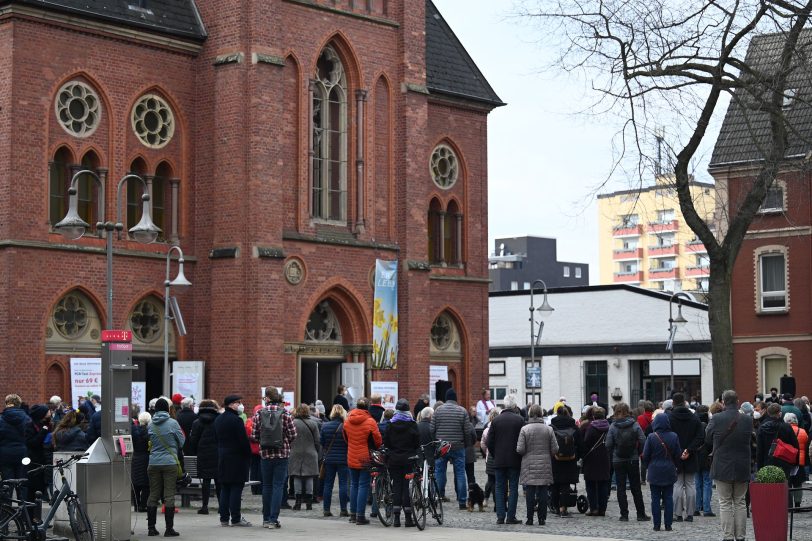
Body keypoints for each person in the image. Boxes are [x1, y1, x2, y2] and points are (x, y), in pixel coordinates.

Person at [705, 390, 753, 541]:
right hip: (742, 464)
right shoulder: (747, 419)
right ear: (737, 401)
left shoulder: (716, 418)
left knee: (725, 502)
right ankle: (740, 537)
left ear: (723, 402)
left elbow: (707, 437)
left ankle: (728, 536)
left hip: (722, 464)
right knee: (740, 502)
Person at [252, 387, 297, 529]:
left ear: (267, 398)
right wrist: (285, 442)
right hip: (282, 454)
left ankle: (265, 519)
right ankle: (273, 519)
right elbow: (293, 434)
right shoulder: (285, 413)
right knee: (278, 486)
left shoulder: (258, 414)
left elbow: (254, 436)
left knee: (267, 486)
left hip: (265, 454)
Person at [146, 397, 185, 537]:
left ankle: (151, 528)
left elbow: (149, 442)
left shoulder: (150, 424)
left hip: (153, 463)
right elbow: (182, 442)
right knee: (169, 495)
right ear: (168, 409)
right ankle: (169, 529)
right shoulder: (173, 423)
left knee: (153, 494)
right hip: (169, 463)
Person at [214, 395, 252, 528]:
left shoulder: (218, 419)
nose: (240, 405)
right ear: (230, 404)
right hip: (237, 458)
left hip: (223, 457)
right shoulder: (236, 420)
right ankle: (236, 518)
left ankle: (224, 518)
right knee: (236, 488)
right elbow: (243, 441)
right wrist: (248, 455)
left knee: (225, 488)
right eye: (238, 403)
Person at [606, 402, 648, 522]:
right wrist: (637, 450)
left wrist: (613, 452)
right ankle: (640, 514)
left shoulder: (613, 426)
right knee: (636, 487)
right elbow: (643, 440)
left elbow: (608, 444)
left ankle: (624, 515)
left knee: (621, 488)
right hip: (632, 459)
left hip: (618, 460)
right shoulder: (634, 424)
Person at [343, 397, 382, 525]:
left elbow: (345, 438)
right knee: (363, 485)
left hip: (351, 455)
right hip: (365, 456)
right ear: (368, 407)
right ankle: (360, 516)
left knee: (354, 485)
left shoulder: (347, 420)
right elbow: (377, 440)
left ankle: (353, 515)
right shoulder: (370, 421)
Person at [431, 388, 471, 509]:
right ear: (456, 399)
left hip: (442, 446)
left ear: (446, 398)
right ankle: (462, 501)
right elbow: (467, 431)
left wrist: (436, 443)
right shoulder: (462, 411)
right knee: (460, 472)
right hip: (458, 446)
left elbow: (432, 429)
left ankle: (438, 497)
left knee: (439, 471)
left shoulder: (438, 410)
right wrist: (466, 444)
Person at [516, 404, 556, 526]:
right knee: (543, 491)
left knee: (530, 492)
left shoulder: (524, 429)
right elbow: (555, 449)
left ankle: (529, 518)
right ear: (541, 414)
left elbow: (520, 449)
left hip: (529, 465)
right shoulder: (548, 429)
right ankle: (542, 518)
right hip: (544, 464)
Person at [487, 394, 524, 524]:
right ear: (514, 405)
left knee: (499, 487)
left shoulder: (496, 420)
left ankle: (500, 516)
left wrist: (495, 454)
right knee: (513, 488)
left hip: (499, 460)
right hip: (514, 460)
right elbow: (522, 441)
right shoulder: (519, 420)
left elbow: (489, 441)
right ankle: (511, 517)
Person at [667, 392, 704, 523]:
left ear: (673, 403)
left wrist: (679, 450)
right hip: (691, 454)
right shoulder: (694, 418)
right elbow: (700, 436)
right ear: (685, 402)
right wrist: (689, 449)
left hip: (675, 455)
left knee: (677, 484)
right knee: (690, 484)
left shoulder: (670, 418)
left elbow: (667, 436)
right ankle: (690, 514)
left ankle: (677, 514)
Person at [383, 399, 420, 527]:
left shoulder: (390, 424)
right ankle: (408, 519)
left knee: (396, 487)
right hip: (408, 460)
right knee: (407, 488)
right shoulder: (412, 424)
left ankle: (397, 518)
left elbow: (386, 442)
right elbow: (417, 443)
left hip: (394, 460)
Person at [642, 412, 681, 532]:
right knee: (668, 498)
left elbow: (645, 455)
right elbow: (677, 454)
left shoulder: (651, 437)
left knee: (655, 499)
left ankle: (656, 525)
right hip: (669, 469)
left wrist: (648, 466)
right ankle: (668, 525)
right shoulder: (674, 436)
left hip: (654, 470)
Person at [189, 400, 220, 515]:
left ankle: (205, 506)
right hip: (217, 454)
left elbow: (193, 440)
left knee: (206, 481)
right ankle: (221, 506)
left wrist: (195, 451)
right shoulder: (218, 420)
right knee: (219, 481)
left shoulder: (197, 422)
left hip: (203, 454)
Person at [550, 404, 581, 516]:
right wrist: (578, 456)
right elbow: (579, 443)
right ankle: (564, 508)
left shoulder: (552, 426)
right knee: (566, 485)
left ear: (557, 414)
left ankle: (555, 507)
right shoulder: (574, 427)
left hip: (555, 458)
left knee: (555, 484)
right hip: (570, 459)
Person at [289, 403, 321, 511]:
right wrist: (316, 451)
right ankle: (309, 503)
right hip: (310, 452)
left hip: (295, 452)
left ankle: (297, 502)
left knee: (297, 476)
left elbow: (289, 438)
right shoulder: (313, 423)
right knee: (309, 476)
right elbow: (317, 440)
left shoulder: (293, 423)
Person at [0, 394, 32, 499]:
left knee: (6, 486)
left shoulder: (1, 418)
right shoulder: (27, 418)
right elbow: (29, 436)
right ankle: (23, 514)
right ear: (19, 405)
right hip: (22, 454)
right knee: (22, 485)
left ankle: (6, 514)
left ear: (6, 404)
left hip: (4, 455)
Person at [756, 402, 799, 479]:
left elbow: (759, 449)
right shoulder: (786, 427)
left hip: (767, 463)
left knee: (769, 488)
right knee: (783, 487)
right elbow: (795, 445)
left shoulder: (762, 428)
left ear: (768, 413)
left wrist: (759, 467)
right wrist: (796, 463)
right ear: (780, 413)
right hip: (784, 462)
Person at [320, 404, 349, 517]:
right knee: (343, 485)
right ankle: (343, 510)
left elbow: (322, 442)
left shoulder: (325, 426)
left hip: (329, 459)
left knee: (328, 484)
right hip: (343, 459)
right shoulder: (346, 426)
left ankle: (326, 509)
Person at [581, 406, 611, 516]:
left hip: (591, 459)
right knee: (603, 484)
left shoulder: (591, 428)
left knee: (591, 484)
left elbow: (586, 442)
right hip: (604, 458)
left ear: (593, 417)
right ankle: (602, 509)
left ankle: (593, 508)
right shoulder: (609, 427)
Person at [25, 405, 53, 498]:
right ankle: (30, 511)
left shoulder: (49, 424)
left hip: (45, 460)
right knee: (33, 489)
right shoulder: (31, 426)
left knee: (41, 488)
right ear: (42, 414)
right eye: (48, 411)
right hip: (34, 461)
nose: (50, 413)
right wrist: (43, 431)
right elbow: (32, 443)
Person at [693, 404, 714, 517]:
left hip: (696, 457)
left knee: (697, 483)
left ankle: (696, 507)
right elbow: (711, 443)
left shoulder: (693, 425)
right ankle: (706, 508)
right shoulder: (709, 426)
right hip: (706, 457)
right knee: (707, 482)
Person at [785, 412, 808, 508]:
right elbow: (806, 443)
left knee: (788, 483)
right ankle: (798, 504)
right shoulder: (802, 431)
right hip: (800, 461)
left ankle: (789, 503)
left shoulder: (785, 430)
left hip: (787, 460)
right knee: (798, 484)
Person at [131, 411, 151, 513]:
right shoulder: (149, 431)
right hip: (147, 458)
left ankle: (136, 505)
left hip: (135, 457)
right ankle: (143, 505)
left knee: (135, 483)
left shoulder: (134, 430)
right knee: (146, 484)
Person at [480, 407, 499, 505]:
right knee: (498, 480)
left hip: (489, 457)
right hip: (499, 457)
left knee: (490, 479)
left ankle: (486, 499)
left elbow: (483, 444)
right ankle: (497, 502)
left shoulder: (486, 430)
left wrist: (486, 451)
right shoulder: (500, 428)